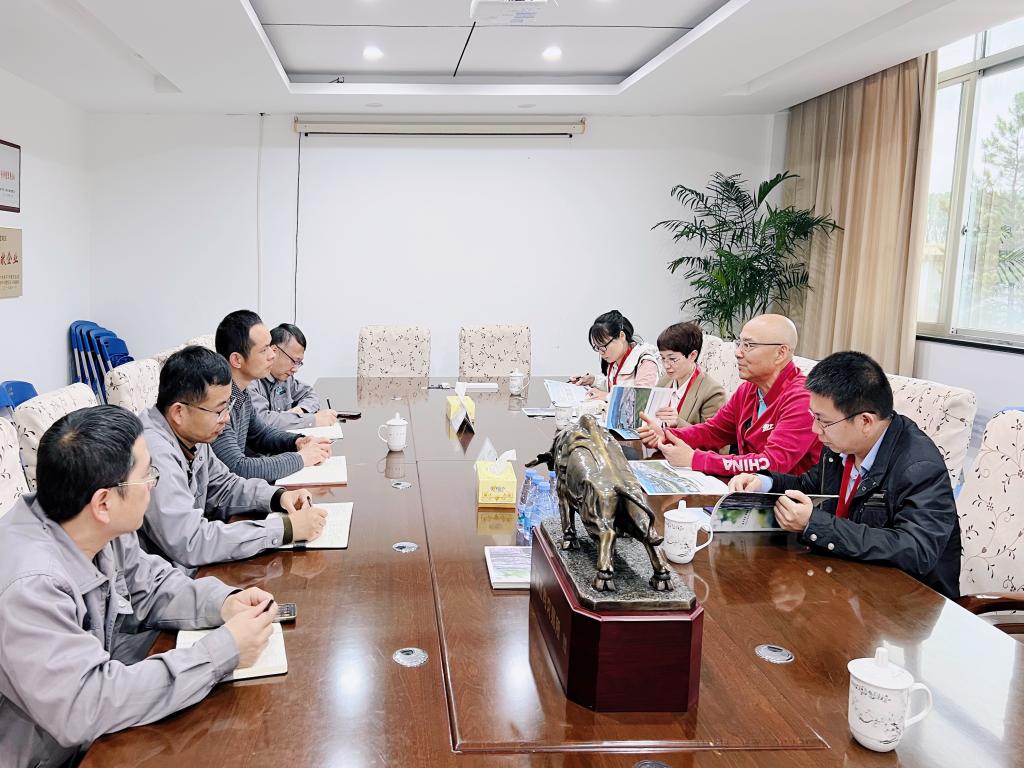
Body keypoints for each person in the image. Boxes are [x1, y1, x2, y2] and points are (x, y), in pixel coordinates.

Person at [0, 406, 278, 767]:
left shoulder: (92, 522)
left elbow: (149, 585)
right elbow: (88, 703)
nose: (153, 486)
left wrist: (223, 603)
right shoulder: (30, 586)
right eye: (147, 475)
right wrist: (223, 650)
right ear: (104, 502)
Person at [727, 351, 961, 599]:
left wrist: (813, 524)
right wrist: (764, 482)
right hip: (843, 582)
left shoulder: (919, 467)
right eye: (813, 417)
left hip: (903, 604)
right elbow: (809, 485)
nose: (815, 430)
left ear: (865, 422)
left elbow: (916, 551)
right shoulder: (841, 446)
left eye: (823, 421)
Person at [140, 346, 328, 572]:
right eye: (219, 411)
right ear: (179, 412)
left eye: (227, 407)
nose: (227, 419)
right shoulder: (153, 454)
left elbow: (224, 486)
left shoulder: (191, 434)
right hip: (169, 578)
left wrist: (277, 496)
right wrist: (285, 529)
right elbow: (191, 541)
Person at [638, 314, 819, 476]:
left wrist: (695, 459)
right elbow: (714, 431)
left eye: (748, 345)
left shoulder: (802, 398)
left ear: (780, 353)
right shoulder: (747, 390)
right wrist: (666, 434)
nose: (738, 353)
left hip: (788, 498)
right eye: (740, 344)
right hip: (745, 487)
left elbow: (772, 463)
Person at [211, 310, 331, 482]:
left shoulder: (241, 393)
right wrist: (301, 458)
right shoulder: (217, 403)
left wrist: (297, 442)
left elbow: (261, 434)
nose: (272, 355)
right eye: (264, 350)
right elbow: (238, 467)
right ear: (237, 360)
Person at [249, 323, 338, 429]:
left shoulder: (286, 379)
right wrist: (312, 420)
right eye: (294, 361)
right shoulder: (251, 381)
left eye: (299, 363)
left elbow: (310, 395)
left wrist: (301, 409)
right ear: (274, 351)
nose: (295, 369)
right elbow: (262, 420)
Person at [569, 310, 662, 400]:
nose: (601, 352)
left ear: (622, 336)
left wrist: (607, 396)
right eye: (597, 347)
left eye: (604, 346)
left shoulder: (646, 363)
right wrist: (592, 380)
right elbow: (617, 387)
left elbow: (642, 400)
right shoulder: (615, 360)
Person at [652, 321, 726, 428]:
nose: (666, 365)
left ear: (692, 355)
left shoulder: (712, 392)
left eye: (672, 359)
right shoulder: (664, 381)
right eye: (663, 358)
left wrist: (678, 423)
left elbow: (713, 436)